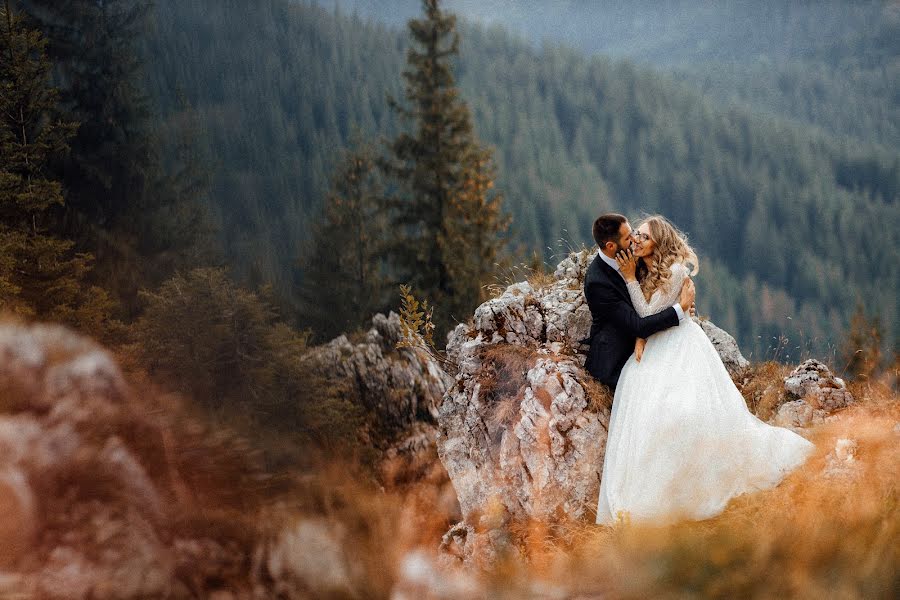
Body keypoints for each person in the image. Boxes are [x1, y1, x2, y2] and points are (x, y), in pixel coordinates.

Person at [593, 215, 816, 526]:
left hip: (679, 345)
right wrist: (642, 334)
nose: (636, 241)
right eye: (635, 235)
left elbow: (645, 311)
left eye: (643, 236)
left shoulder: (674, 271)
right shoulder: (642, 265)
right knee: (644, 407)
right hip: (655, 341)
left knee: (686, 411)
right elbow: (640, 317)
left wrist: (637, 284)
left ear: (659, 242)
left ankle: (696, 484)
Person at [581, 213, 695, 390]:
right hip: (615, 359)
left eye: (635, 233)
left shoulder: (634, 257)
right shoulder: (598, 282)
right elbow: (639, 324)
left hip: (652, 344)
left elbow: (662, 287)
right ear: (611, 246)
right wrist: (681, 309)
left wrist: (681, 303)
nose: (634, 239)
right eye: (629, 237)